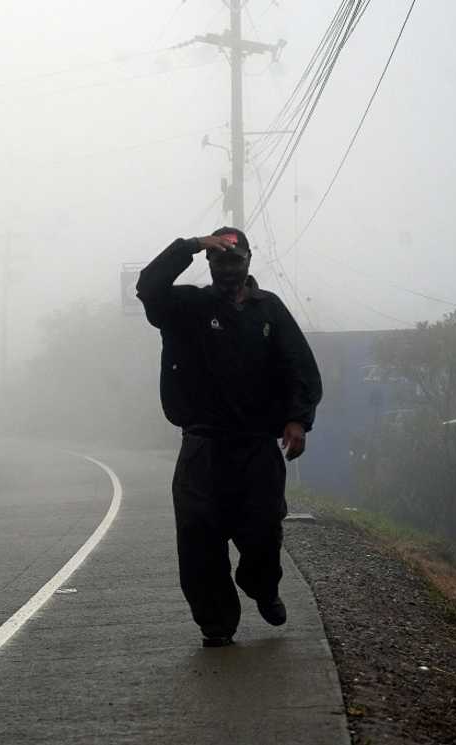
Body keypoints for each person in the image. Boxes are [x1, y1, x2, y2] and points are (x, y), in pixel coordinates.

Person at [136, 227, 322, 648]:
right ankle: (216, 622)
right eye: (219, 260)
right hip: (203, 446)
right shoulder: (187, 307)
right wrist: (191, 244)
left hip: (257, 446)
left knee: (262, 533)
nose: (228, 268)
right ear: (210, 263)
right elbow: (148, 286)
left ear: (249, 262)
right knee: (199, 536)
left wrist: (298, 420)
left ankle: (262, 586)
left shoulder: (269, 310)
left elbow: (300, 367)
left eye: (235, 260)